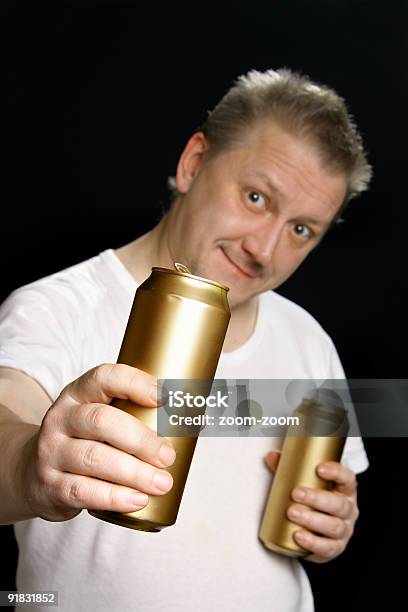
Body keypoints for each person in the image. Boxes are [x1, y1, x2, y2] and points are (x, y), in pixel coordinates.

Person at [0, 68, 372, 611]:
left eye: (301, 230)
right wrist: (32, 464)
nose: (264, 250)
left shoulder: (310, 339)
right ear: (194, 164)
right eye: (256, 197)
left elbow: (332, 494)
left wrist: (332, 523)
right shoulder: (57, 306)